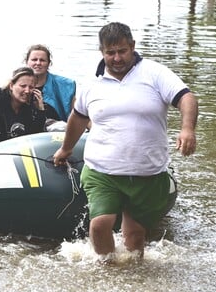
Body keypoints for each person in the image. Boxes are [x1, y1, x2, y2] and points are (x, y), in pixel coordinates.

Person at [53, 22, 198, 260]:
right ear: (102, 52)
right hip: (102, 170)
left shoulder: (154, 73)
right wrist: (65, 149)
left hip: (147, 174)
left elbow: (186, 98)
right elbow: (78, 119)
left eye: (122, 51)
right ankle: (108, 271)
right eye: (110, 53)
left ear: (132, 46)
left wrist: (187, 129)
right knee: (100, 225)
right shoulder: (93, 85)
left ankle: (133, 273)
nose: (117, 58)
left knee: (135, 235)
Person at [25, 44, 76, 123]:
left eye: (42, 60)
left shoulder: (66, 85)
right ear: (27, 62)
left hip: (58, 130)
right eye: (34, 60)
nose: (38, 63)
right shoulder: (17, 85)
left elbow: (78, 114)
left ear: (49, 63)